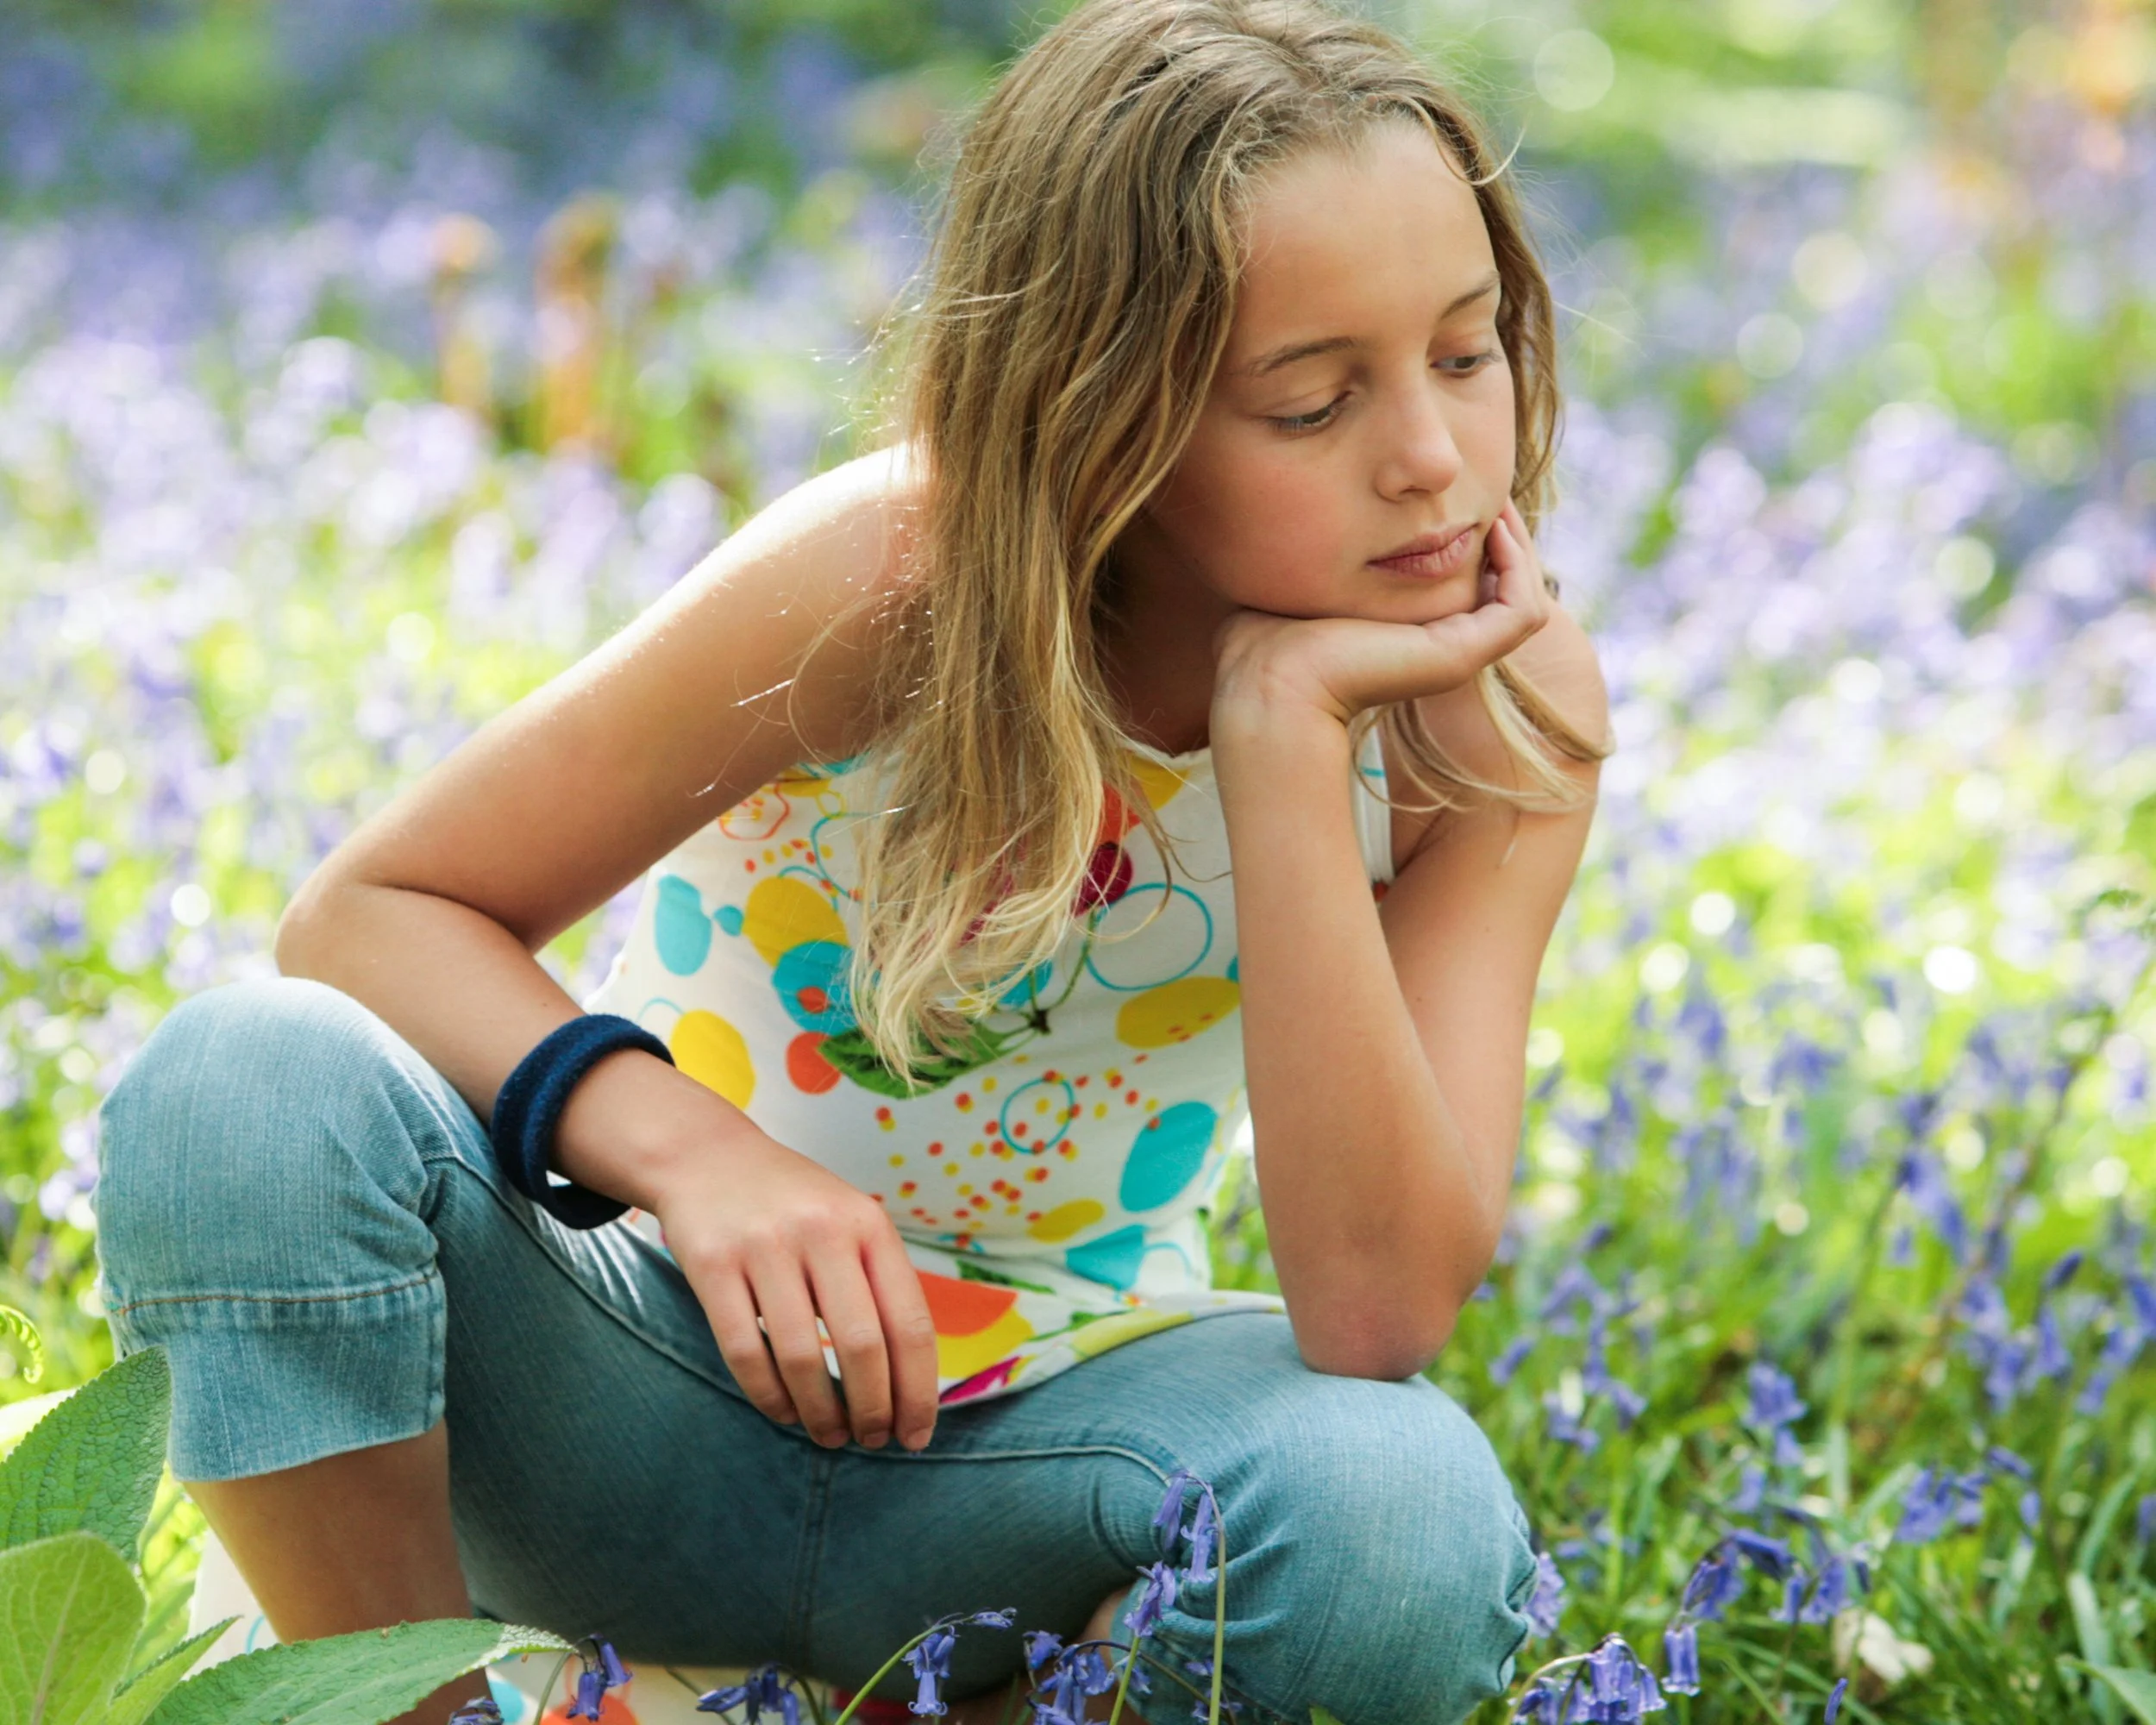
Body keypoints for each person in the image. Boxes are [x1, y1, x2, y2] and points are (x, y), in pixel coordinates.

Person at [93, 2, 1614, 1722]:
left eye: (1466, 353)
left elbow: (1373, 1306)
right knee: (240, 1081)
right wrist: (694, 1158)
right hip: (632, 1371)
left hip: (1052, 1452)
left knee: (1401, 1524)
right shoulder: (899, 575)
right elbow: (368, 911)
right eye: (1311, 399)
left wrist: (1279, 743)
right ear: (1102, 416)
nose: (1426, 454)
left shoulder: (1488, 720)